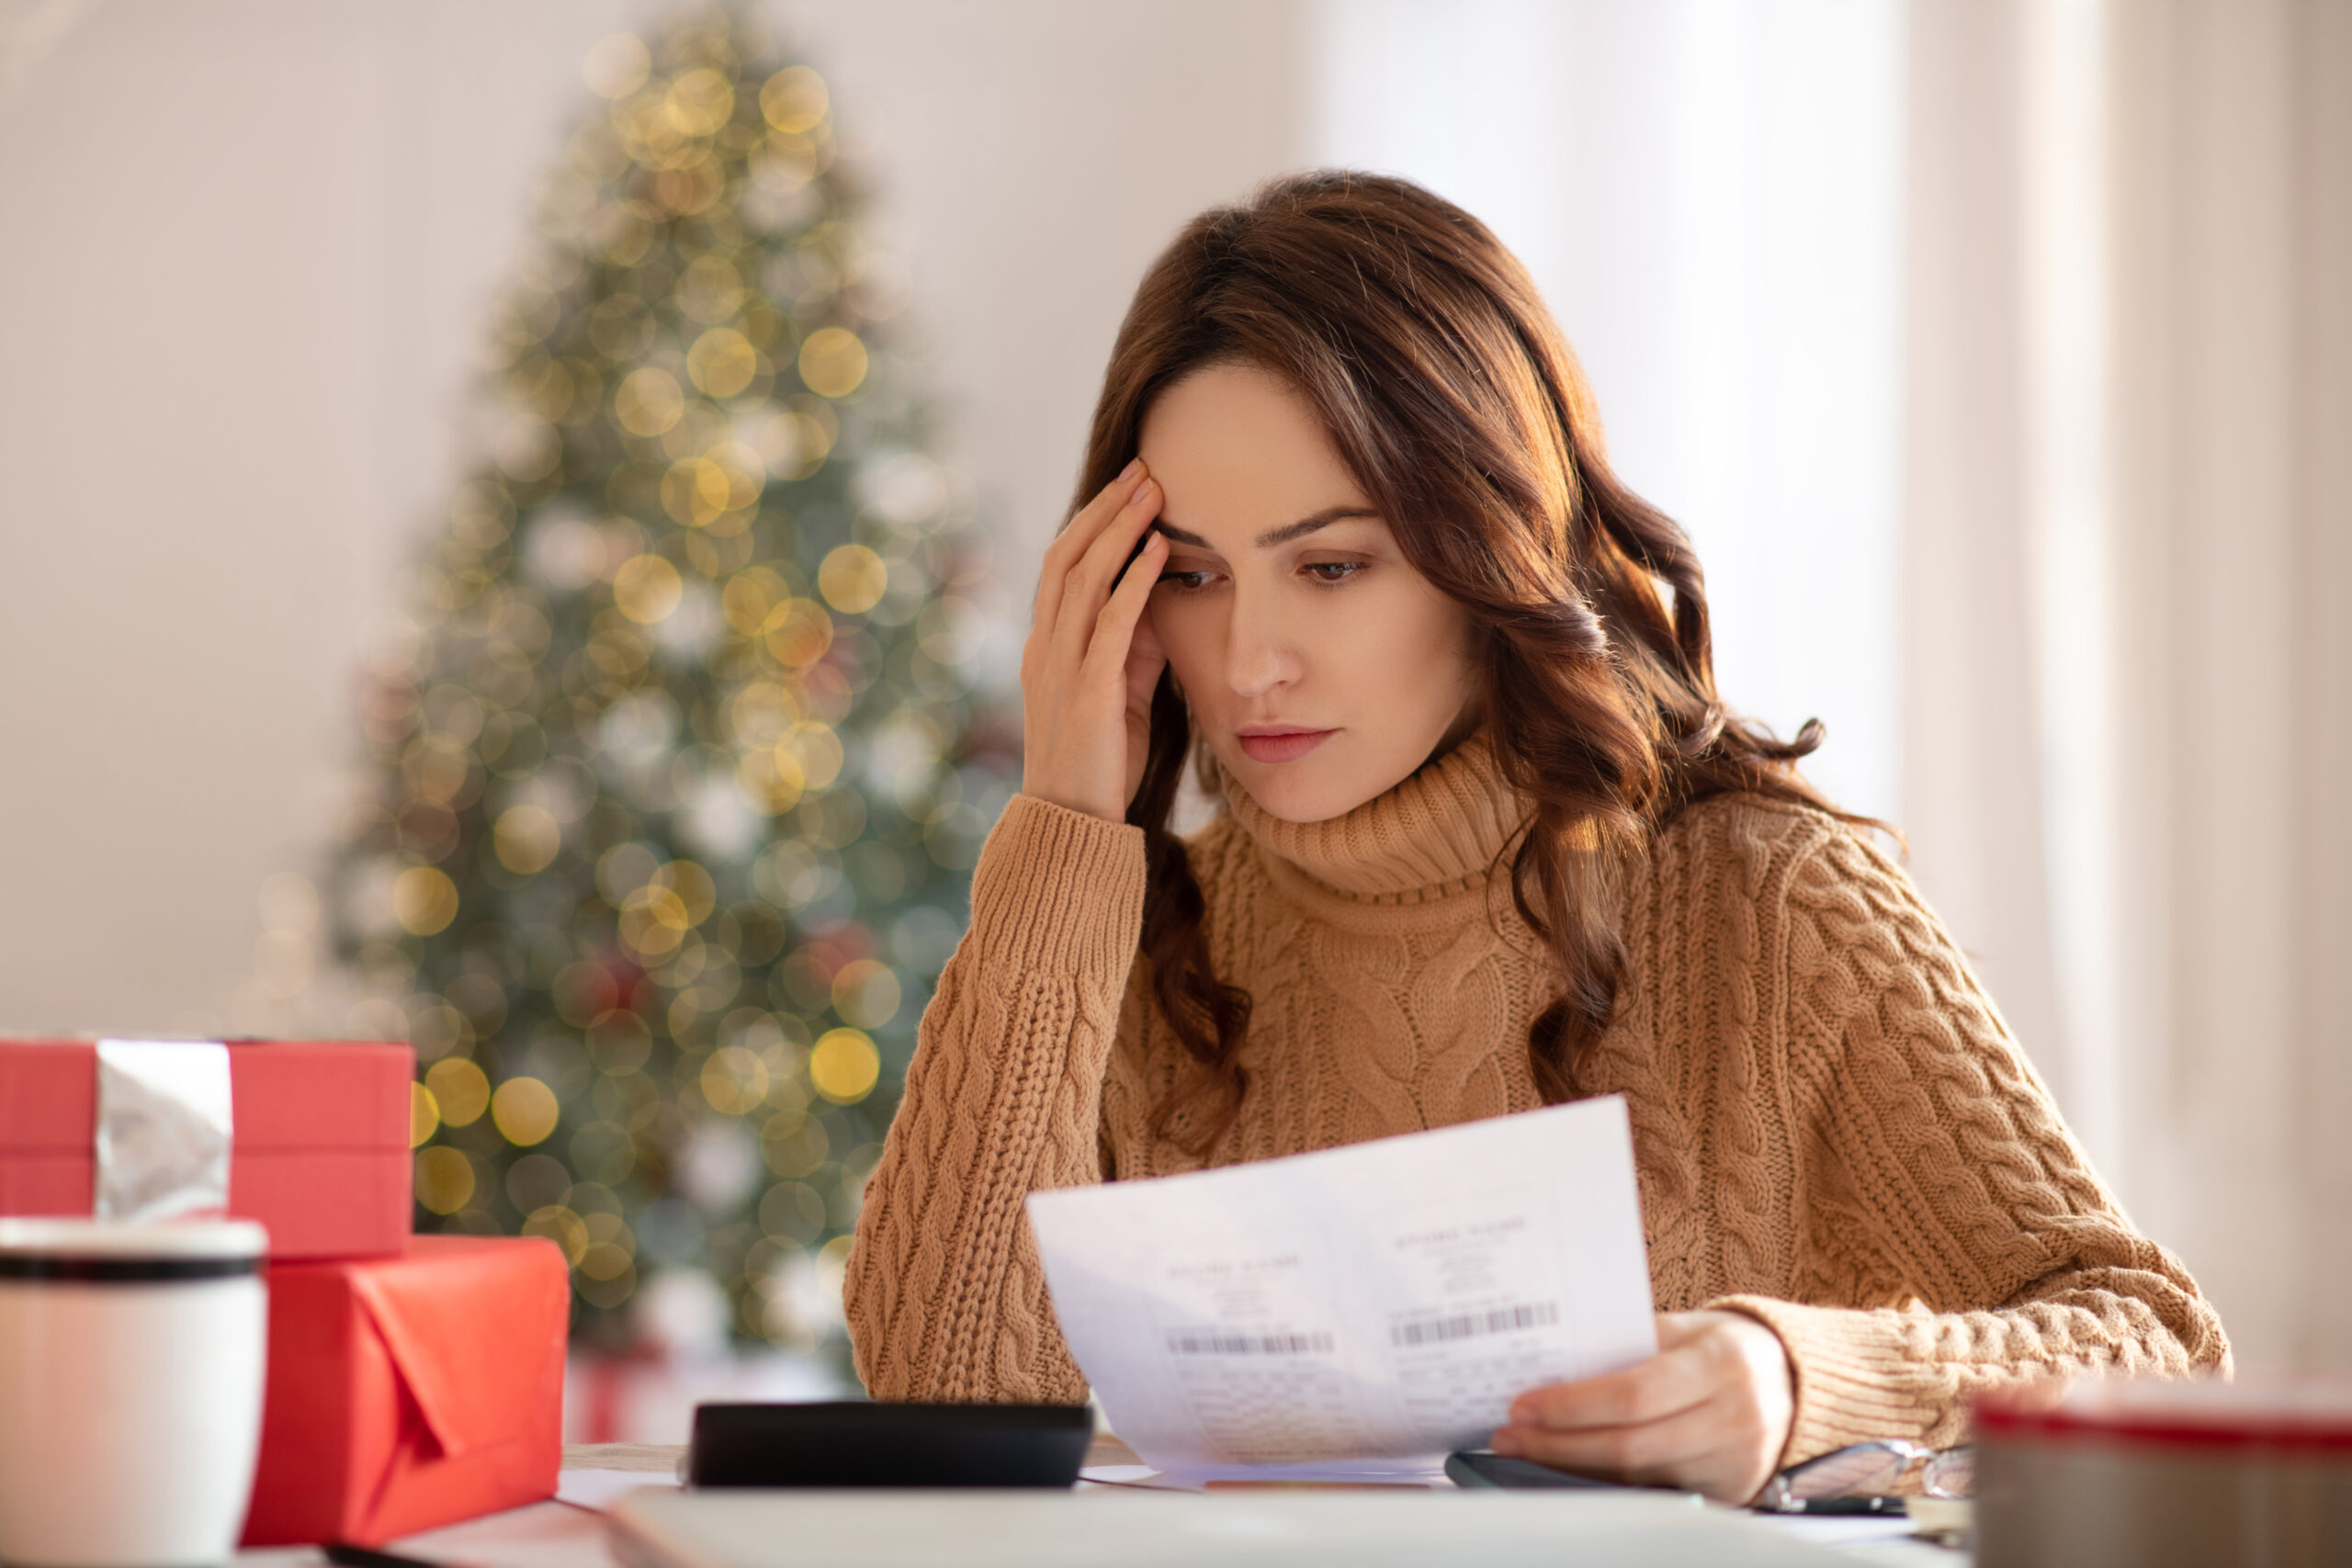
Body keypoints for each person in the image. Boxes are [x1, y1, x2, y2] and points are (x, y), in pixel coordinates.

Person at [842, 170, 2228, 1505]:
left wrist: (1801, 1380)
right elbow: (944, 1407)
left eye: (1332, 567)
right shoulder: (1127, 946)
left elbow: (2156, 1350)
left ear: (1489, 548)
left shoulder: (1768, 903)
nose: (1252, 657)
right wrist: (1066, 828)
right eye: (1195, 576)